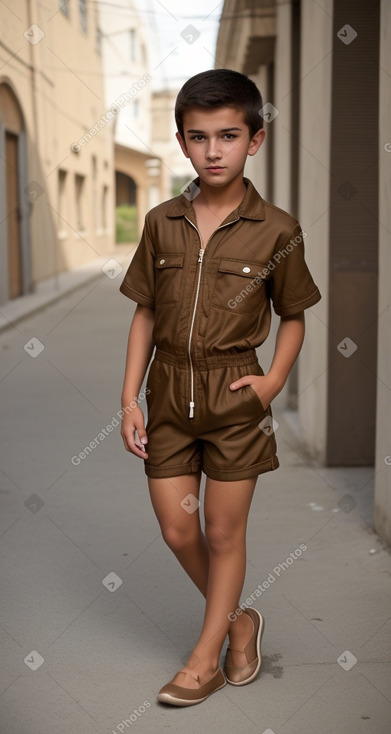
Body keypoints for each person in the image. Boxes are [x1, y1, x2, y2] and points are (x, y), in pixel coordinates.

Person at [119, 68, 321, 706]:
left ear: (254, 141)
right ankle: (240, 620)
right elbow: (145, 311)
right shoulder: (160, 222)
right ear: (181, 142)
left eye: (228, 136)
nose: (213, 150)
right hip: (169, 397)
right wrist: (129, 398)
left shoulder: (277, 229)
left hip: (236, 398)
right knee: (181, 531)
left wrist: (273, 382)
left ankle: (205, 658)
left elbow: (294, 315)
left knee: (225, 534)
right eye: (198, 137)